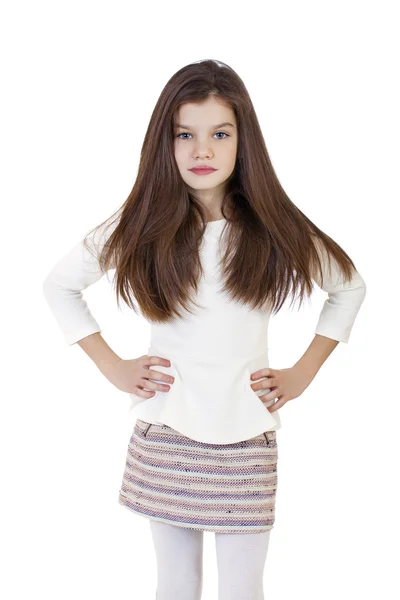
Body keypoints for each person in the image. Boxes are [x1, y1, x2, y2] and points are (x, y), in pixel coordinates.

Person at [42, 59, 367, 600]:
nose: (202, 151)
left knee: (244, 587)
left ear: (243, 142)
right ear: (164, 144)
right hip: (168, 431)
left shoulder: (274, 228)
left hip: (246, 436)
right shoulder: (139, 227)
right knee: (176, 585)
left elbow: (348, 287)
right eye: (185, 135)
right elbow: (60, 286)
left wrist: (303, 372)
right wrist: (114, 366)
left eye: (219, 134)